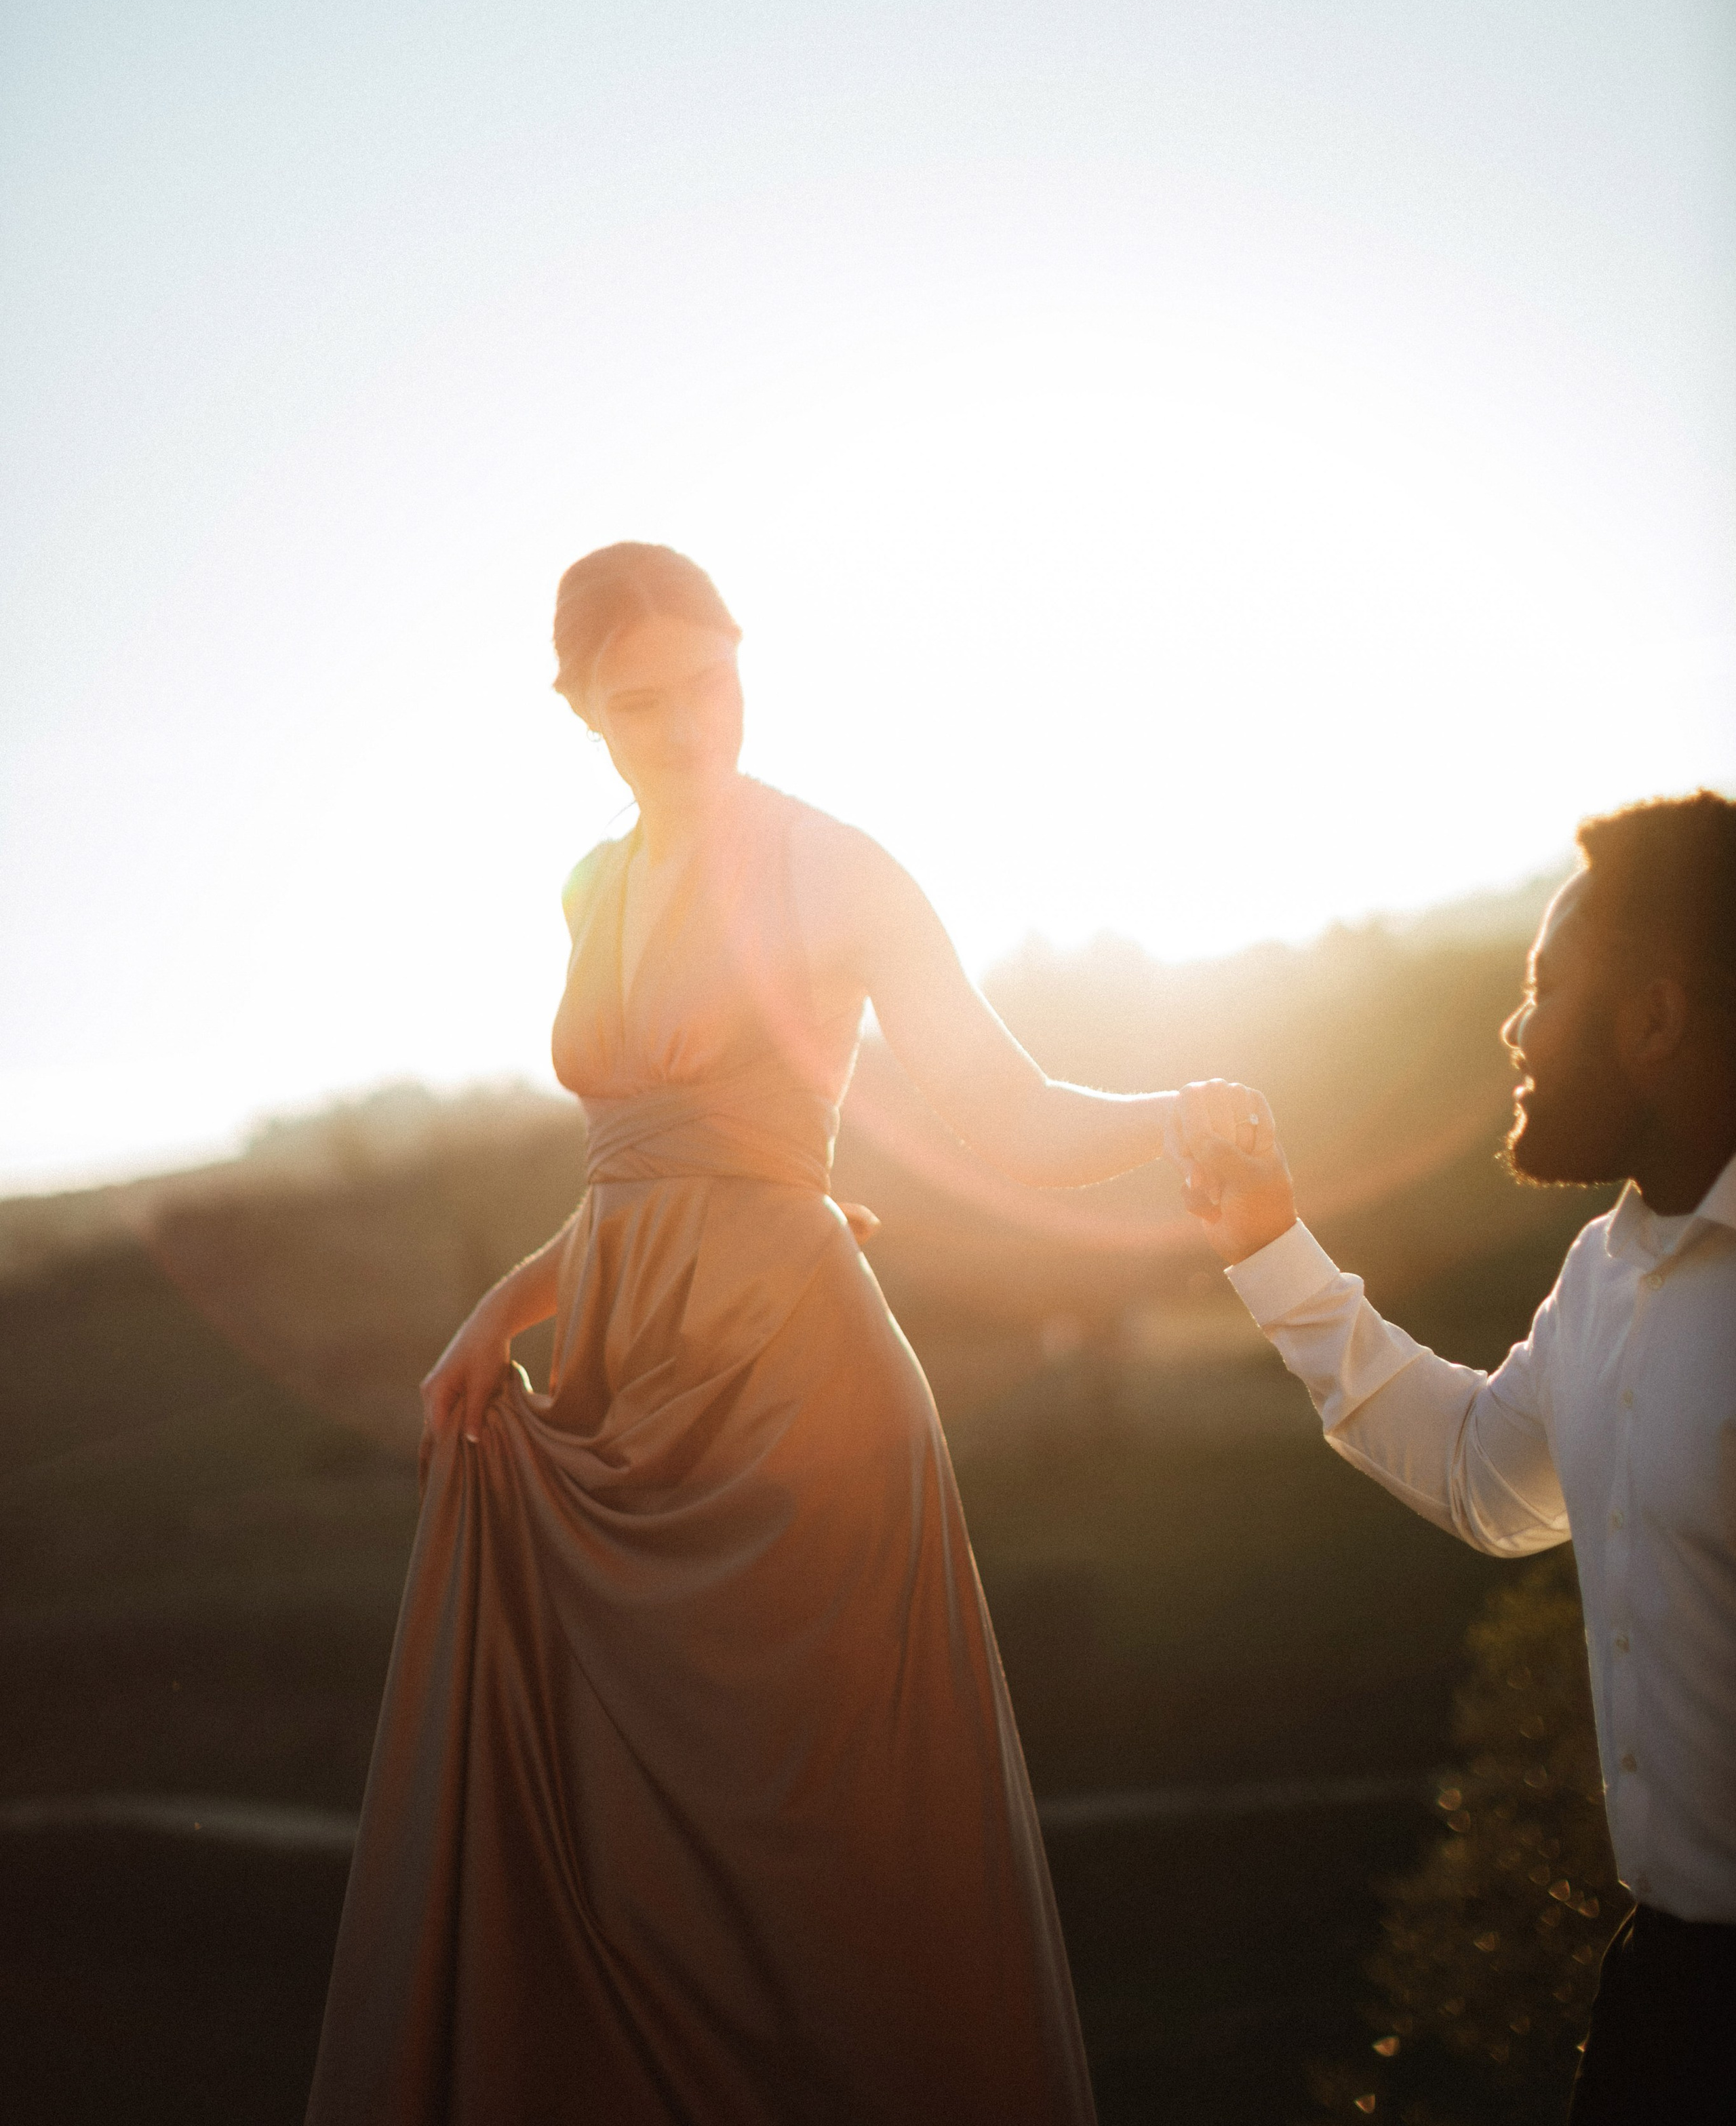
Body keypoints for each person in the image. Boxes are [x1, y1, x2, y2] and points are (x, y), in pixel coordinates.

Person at [306, 541, 1195, 2126]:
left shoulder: (833, 865)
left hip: (805, 1411)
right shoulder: (589, 885)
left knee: (819, 1888)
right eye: (637, 700)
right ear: (571, 705)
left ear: (744, 662)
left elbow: (1004, 1107)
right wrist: (493, 1309)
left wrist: (1172, 1117)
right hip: (618, 1400)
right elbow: (639, 1177)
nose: (685, 725)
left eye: (709, 682)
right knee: (619, 1875)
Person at [1170, 792, 1736, 2125]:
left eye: (1543, 987)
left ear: (1652, 1020)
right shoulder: (1606, 1272)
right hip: (1664, 1992)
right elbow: (1487, 1476)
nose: (1514, 1029)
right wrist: (1267, 1245)